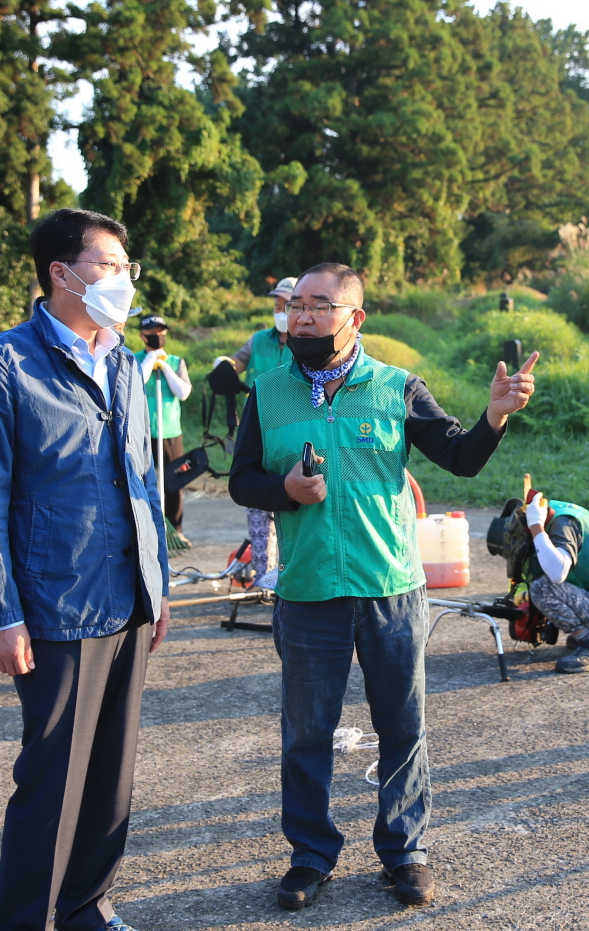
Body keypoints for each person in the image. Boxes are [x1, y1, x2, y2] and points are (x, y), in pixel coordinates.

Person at [229, 263, 538, 911]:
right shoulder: (268, 392)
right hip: (309, 591)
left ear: (354, 319)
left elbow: (459, 455)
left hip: (390, 591)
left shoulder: (397, 388)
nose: (303, 316)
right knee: (307, 732)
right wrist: (282, 490)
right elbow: (242, 481)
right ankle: (310, 855)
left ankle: (405, 852)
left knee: (402, 726)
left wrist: (494, 417)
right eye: (297, 306)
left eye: (320, 305)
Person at [0, 207, 169, 931]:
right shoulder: (3, 362)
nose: (123, 278)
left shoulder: (123, 361)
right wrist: (2, 612)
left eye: (125, 265)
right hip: (56, 601)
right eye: (109, 264)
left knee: (112, 775)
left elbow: (146, 480)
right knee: (52, 779)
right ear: (61, 272)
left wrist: (159, 584)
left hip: (128, 596)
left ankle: (87, 907)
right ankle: (23, 920)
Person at [487, 491, 589, 673]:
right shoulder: (560, 512)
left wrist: (536, 526)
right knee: (542, 583)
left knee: (542, 588)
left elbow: (557, 573)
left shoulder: (563, 524)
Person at [216, 276, 296, 580]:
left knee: (291, 502)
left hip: (293, 429)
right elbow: (237, 362)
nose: (279, 310)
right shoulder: (259, 339)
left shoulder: (307, 345)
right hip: (258, 429)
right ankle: (264, 577)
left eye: (285, 305)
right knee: (258, 506)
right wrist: (224, 364)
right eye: (276, 305)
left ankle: (290, 574)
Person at [133, 314, 192, 543]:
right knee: (142, 480)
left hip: (170, 433)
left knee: (173, 482)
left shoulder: (177, 362)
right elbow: (136, 382)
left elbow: (183, 392)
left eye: (161, 332)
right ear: (142, 335)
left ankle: (176, 530)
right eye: (152, 333)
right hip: (144, 432)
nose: (157, 337)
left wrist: (165, 367)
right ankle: (146, 529)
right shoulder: (134, 359)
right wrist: (150, 360)